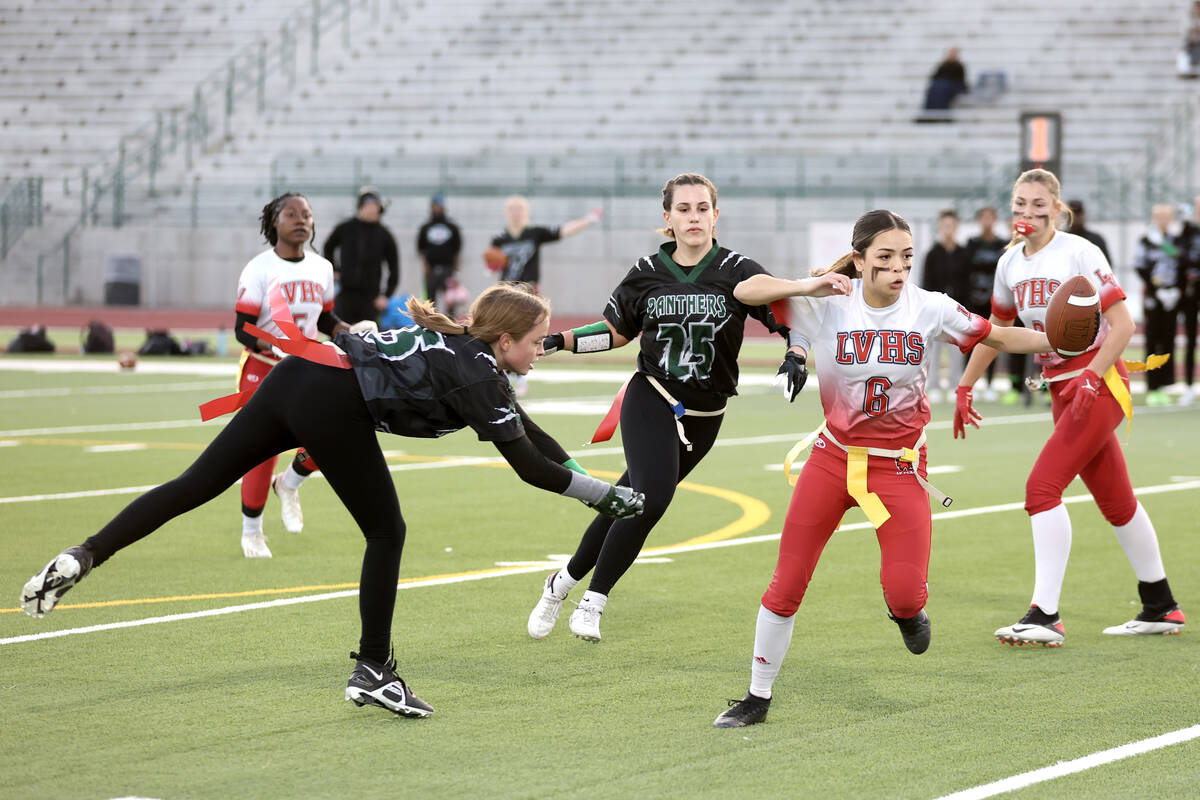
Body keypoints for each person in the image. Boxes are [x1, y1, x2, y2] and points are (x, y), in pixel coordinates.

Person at [19, 283, 645, 719]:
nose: (541, 350)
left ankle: (86, 553)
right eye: (536, 341)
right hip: (335, 399)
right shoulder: (478, 372)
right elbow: (531, 468)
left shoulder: (472, 356)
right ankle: (374, 668)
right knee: (387, 532)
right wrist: (603, 497)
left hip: (301, 374)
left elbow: (535, 437)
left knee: (193, 485)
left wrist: (594, 484)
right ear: (506, 339)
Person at [712, 210, 1052, 728]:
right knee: (786, 584)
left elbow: (999, 337)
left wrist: (1061, 341)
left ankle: (909, 612)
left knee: (904, 591)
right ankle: (757, 696)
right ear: (859, 260)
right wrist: (810, 285)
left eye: (907, 257)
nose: (899, 268)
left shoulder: (929, 307)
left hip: (899, 467)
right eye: (886, 258)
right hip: (831, 459)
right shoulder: (830, 301)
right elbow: (746, 291)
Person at [527, 172, 835, 644]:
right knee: (650, 500)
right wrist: (560, 341)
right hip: (651, 395)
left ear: (716, 214)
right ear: (667, 217)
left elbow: (789, 318)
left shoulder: (737, 268)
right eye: (684, 209)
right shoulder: (645, 271)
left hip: (705, 416)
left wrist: (795, 355)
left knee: (621, 503)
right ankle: (593, 601)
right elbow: (615, 332)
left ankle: (560, 582)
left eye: (702, 208)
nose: (694, 217)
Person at [955, 168, 1185, 648]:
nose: (1028, 214)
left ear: (1058, 210)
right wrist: (965, 385)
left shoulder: (1079, 251)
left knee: (1041, 488)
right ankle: (1161, 604)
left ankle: (1045, 614)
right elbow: (994, 331)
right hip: (1062, 388)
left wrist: (1093, 373)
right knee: (1116, 502)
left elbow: (1122, 325)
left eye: (1040, 206)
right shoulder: (1009, 263)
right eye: (1021, 204)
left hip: (1098, 383)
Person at [233, 193, 344, 557]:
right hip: (263, 369)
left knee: (330, 436)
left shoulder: (322, 267)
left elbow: (324, 319)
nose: (301, 220)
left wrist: (347, 330)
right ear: (274, 222)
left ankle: (290, 483)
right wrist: (271, 345)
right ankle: (252, 531)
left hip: (304, 369)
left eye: (307, 215)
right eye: (292, 214)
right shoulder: (259, 267)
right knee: (261, 449)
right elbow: (242, 327)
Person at [489, 194, 603, 395]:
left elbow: (562, 231)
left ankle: (521, 375)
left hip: (528, 292)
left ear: (526, 213)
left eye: (520, 209)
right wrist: (491, 265)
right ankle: (506, 375)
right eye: (512, 210)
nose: (516, 214)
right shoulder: (499, 238)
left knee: (525, 334)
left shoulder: (534, 233)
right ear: (507, 213)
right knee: (504, 335)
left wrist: (588, 220)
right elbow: (494, 264)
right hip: (506, 291)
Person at [322, 187, 400, 324]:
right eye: (367, 206)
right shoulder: (345, 228)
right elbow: (328, 247)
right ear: (360, 207)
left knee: (368, 338)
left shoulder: (384, 235)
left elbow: (394, 267)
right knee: (339, 334)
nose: (371, 210)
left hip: (371, 297)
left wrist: (386, 296)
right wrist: (335, 269)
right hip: (346, 293)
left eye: (374, 206)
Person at [1133, 203, 1182, 406]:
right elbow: (1140, 267)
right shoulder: (1146, 240)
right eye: (1158, 216)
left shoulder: (1174, 241)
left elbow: (1181, 262)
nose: (1162, 220)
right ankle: (1152, 386)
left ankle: (1165, 384)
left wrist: (1175, 288)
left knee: (1168, 339)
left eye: (1166, 216)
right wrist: (1156, 290)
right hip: (1155, 297)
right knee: (1153, 340)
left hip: (1172, 296)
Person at [920, 209, 970, 401]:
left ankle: (955, 384)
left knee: (956, 349)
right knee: (933, 350)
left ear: (956, 227)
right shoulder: (932, 254)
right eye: (945, 226)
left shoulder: (964, 254)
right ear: (940, 228)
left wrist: (965, 309)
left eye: (952, 225)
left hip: (958, 311)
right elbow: (926, 283)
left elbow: (967, 282)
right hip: (935, 310)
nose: (948, 229)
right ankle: (932, 384)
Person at [964, 206, 1007, 401]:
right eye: (984, 217)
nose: (987, 221)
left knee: (992, 339)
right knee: (970, 340)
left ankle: (989, 383)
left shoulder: (1002, 244)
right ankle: (969, 382)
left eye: (991, 217)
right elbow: (966, 270)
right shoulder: (971, 244)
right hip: (974, 299)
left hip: (994, 299)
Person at [416, 193, 463, 313]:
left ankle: (450, 325)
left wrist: (455, 270)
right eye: (435, 206)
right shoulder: (425, 227)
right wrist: (425, 265)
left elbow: (457, 249)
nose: (437, 208)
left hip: (448, 267)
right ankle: (431, 324)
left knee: (450, 298)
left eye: (439, 205)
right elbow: (421, 248)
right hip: (431, 268)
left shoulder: (451, 226)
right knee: (430, 299)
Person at [1175, 196, 1200, 405]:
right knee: (1190, 338)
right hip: (1191, 291)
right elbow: (1176, 255)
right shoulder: (1186, 232)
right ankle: (1189, 386)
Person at [918, 46, 968, 120]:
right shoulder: (943, 65)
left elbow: (960, 79)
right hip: (942, 86)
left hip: (951, 87)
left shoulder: (959, 66)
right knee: (934, 88)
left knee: (943, 87)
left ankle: (942, 113)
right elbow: (935, 77)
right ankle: (930, 113)